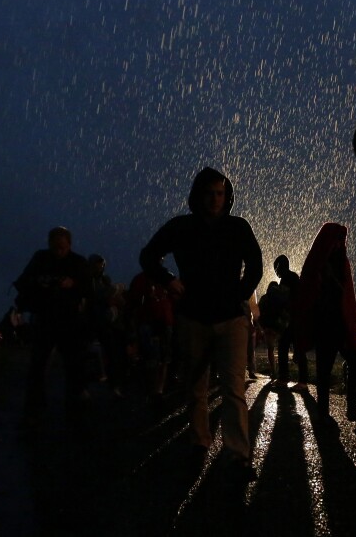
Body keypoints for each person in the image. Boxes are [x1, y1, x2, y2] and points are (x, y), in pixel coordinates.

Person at [139, 167, 263, 482]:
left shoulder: (237, 227)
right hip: (192, 317)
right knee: (196, 386)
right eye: (209, 193)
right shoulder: (181, 227)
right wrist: (168, 280)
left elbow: (256, 264)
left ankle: (237, 454)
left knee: (234, 388)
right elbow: (149, 256)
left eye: (220, 193)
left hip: (231, 319)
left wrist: (240, 294)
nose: (214, 199)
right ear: (198, 195)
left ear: (227, 195)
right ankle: (199, 441)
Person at [14, 226, 92, 429]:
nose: (58, 251)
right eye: (55, 247)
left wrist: (72, 284)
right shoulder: (40, 259)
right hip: (45, 319)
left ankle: (74, 411)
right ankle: (35, 411)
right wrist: (40, 283)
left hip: (69, 321)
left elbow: (88, 288)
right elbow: (23, 282)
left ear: (69, 244)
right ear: (49, 244)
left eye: (62, 247)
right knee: (37, 367)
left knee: (73, 366)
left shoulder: (78, 262)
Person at [293, 223, 356, 425]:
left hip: (341, 323)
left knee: (355, 361)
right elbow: (308, 294)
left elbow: (347, 294)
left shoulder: (340, 261)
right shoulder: (317, 262)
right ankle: (323, 414)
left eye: (341, 239)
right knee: (324, 370)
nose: (339, 243)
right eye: (337, 239)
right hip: (324, 324)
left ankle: (351, 408)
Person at [126, 265, 176, 408]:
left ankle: (158, 391)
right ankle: (152, 391)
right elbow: (132, 303)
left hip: (165, 322)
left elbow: (175, 299)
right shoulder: (140, 280)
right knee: (151, 358)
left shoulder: (168, 279)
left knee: (164, 358)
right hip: (148, 322)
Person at [87, 253, 126, 398]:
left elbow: (108, 296)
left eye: (101, 264)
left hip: (104, 321)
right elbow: (96, 296)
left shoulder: (105, 279)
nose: (100, 266)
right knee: (82, 354)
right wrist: (113, 291)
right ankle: (82, 388)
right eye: (97, 264)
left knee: (111, 353)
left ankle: (114, 386)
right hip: (90, 320)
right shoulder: (87, 280)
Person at [273, 255, 309, 391]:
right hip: (297, 318)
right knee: (298, 348)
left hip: (290, 320)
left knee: (283, 347)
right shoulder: (294, 277)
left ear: (280, 266)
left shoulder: (286, 279)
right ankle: (302, 381)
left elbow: (283, 299)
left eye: (276, 267)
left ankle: (285, 378)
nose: (276, 271)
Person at [257, 281, 290, 378]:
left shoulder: (264, 298)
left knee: (270, 350)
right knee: (282, 349)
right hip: (278, 327)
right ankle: (283, 370)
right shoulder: (280, 298)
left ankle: (274, 371)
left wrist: (261, 326)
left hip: (268, 327)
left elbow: (259, 313)